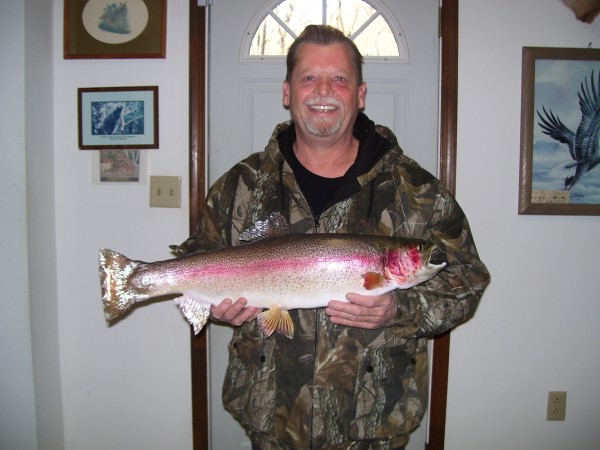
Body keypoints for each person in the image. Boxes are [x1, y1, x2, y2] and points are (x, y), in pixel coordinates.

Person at [174, 24, 490, 450]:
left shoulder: (416, 189)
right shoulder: (239, 185)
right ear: (288, 92)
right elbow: (197, 262)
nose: (324, 90)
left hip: (372, 425)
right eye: (309, 78)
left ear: (359, 94)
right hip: (272, 420)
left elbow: (468, 279)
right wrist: (217, 308)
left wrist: (400, 307)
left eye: (339, 79)